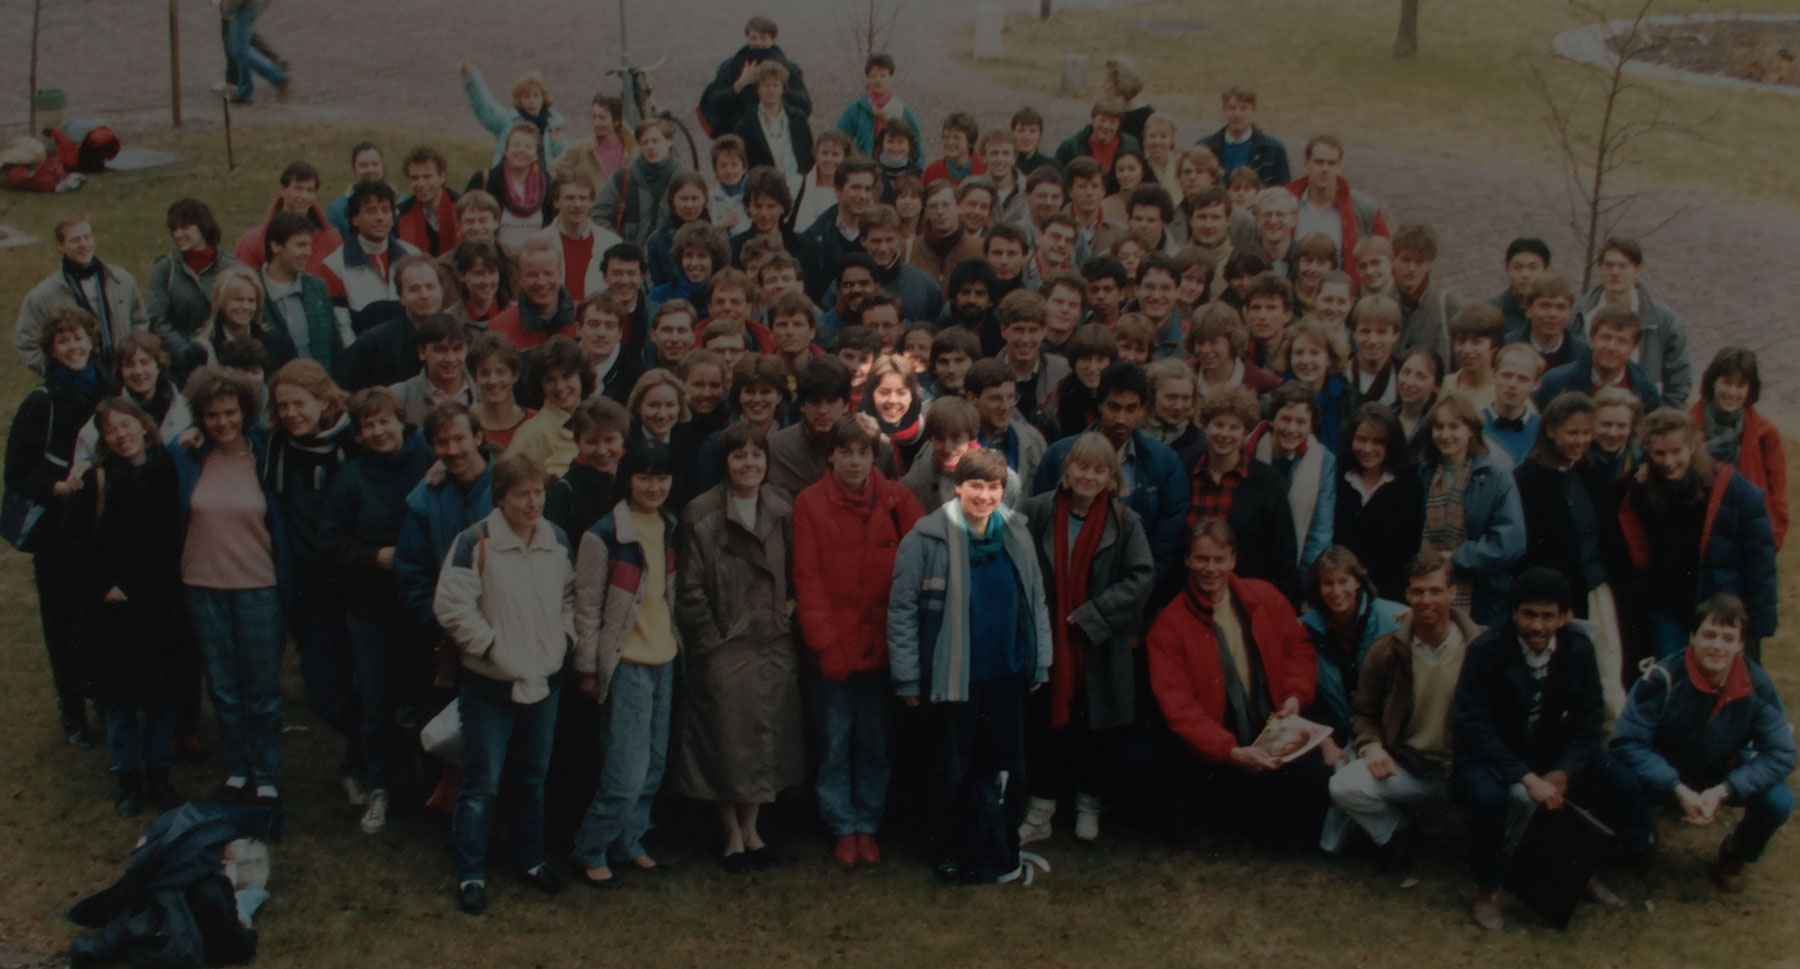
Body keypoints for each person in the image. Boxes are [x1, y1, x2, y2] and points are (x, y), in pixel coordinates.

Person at [1452, 567, 1648, 929]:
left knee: (1620, 782)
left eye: (1548, 616)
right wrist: (1526, 777)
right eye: (1529, 614)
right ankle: (1488, 888)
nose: (1537, 627)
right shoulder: (1486, 650)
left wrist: (1564, 770)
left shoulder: (1578, 648)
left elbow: (1589, 718)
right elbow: (1472, 724)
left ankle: (1584, 870)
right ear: (1513, 613)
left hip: (1548, 748)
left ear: (1565, 617)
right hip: (1493, 753)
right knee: (1486, 797)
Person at [889, 448, 1052, 883]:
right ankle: (947, 849)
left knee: (1004, 767)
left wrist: (1040, 663)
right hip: (951, 676)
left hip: (1005, 672)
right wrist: (906, 674)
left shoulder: (1018, 534)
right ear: (957, 487)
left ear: (1004, 490)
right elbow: (902, 611)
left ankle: (995, 844)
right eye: (975, 485)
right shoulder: (925, 539)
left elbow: (1035, 601)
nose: (984, 495)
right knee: (950, 769)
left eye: (993, 486)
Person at [434, 452, 574, 915]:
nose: (533, 503)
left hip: (544, 682)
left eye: (539, 493)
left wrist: (564, 640)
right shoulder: (474, 543)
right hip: (490, 688)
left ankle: (531, 860)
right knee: (481, 783)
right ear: (501, 498)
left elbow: (570, 598)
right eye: (522, 495)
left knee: (533, 778)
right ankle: (471, 873)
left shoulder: (557, 541)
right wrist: (494, 649)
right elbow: (453, 608)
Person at [668, 423, 804, 871]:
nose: (750, 464)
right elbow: (688, 591)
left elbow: (793, 568)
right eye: (739, 456)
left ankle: (753, 828)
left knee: (765, 737)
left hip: (772, 641)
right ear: (725, 463)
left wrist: (787, 609)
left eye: (757, 456)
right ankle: (729, 831)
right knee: (725, 740)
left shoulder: (781, 508)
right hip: (725, 644)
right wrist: (711, 641)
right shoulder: (700, 514)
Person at [789, 414, 923, 865]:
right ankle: (841, 823)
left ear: (874, 455)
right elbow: (807, 579)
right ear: (831, 455)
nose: (853, 460)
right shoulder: (810, 504)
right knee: (833, 743)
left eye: (862, 452)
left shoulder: (896, 499)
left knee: (875, 743)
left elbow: (921, 560)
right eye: (844, 451)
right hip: (832, 651)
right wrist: (826, 645)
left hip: (884, 648)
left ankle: (869, 820)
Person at [1148, 521, 1329, 845]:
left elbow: (1298, 648)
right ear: (1187, 560)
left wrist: (1294, 697)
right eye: (1202, 559)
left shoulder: (1266, 597)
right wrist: (1230, 751)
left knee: (1311, 797)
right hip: (1218, 750)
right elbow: (1179, 707)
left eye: (1219, 559)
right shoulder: (1168, 626)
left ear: (1233, 559)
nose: (1210, 568)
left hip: (1272, 734)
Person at [1016, 434, 1154, 845]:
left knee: (1094, 731)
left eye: (1099, 470)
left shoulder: (1126, 522)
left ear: (1111, 477)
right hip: (1048, 643)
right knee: (1046, 729)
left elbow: (1141, 578)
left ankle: (1087, 806)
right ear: (1066, 470)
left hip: (1097, 647)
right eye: (1082, 467)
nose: (1089, 476)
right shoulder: (1037, 510)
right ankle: (1040, 811)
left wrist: (1093, 615)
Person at [1610, 594, 1795, 894]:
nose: (1717, 646)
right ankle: (1641, 842)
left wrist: (1725, 790)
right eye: (1708, 634)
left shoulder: (1757, 685)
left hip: (1723, 770)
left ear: (1740, 644)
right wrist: (1675, 786)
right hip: (1665, 768)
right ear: (1692, 637)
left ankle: (1736, 854)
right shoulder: (1663, 678)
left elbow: (1782, 753)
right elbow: (1627, 741)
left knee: (1779, 801)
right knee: (1615, 775)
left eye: (1727, 638)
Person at [59, 397, 189, 816]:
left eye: (126, 424)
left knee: (160, 696)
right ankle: (129, 779)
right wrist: (102, 586)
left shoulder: (166, 468)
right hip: (114, 606)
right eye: (111, 430)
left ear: (143, 425)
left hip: (160, 600)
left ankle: (160, 775)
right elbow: (71, 546)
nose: (122, 434)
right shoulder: (97, 482)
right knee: (119, 703)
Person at [173, 367, 289, 807]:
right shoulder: (187, 454)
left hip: (258, 585)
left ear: (245, 411)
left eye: (230, 413)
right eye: (212, 415)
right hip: (202, 585)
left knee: (261, 689)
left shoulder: (266, 452)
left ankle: (266, 773)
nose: (222, 422)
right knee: (223, 686)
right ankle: (237, 769)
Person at [320, 387, 433, 833]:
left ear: (401, 421)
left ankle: (427, 787)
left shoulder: (428, 465)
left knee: (424, 697)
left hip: (421, 605)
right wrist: (374, 557)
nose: (379, 431)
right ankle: (380, 785)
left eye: (384, 421)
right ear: (360, 436)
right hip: (371, 610)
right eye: (368, 426)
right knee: (376, 701)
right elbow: (330, 543)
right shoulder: (352, 479)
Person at [571, 440, 681, 885]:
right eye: (644, 477)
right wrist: (587, 669)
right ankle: (590, 847)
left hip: (665, 658)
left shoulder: (670, 527)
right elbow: (587, 608)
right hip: (627, 663)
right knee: (626, 769)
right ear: (627, 480)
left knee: (653, 764)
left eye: (661, 478)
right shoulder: (604, 535)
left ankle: (628, 840)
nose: (654, 487)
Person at [1326, 551, 1481, 864]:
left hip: (1465, 770)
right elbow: (1362, 712)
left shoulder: (1480, 648)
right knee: (1343, 785)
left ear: (1453, 592)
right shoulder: (1387, 650)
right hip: (1409, 766)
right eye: (1418, 591)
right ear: (1407, 594)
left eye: (1435, 591)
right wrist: (1371, 746)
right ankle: (1400, 833)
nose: (1426, 600)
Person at [6, 308, 113, 746]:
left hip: (101, 525)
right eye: (63, 342)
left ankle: (105, 699)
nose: (74, 348)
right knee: (63, 624)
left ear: (91, 340)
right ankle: (73, 712)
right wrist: (56, 486)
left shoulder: (108, 390)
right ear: (52, 349)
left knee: (103, 618)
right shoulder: (42, 402)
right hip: (57, 533)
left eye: (79, 339)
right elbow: (16, 472)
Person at [261, 360, 362, 802]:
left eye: (298, 404)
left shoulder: (354, 443)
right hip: (305, 583)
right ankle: (372, 742)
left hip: (354, 579)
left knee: (365, 677)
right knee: (322, 688)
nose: (290, 414)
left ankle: (366, 761)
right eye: (282, 406)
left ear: (322, 400)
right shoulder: (275, 447)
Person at [1617, 409, 1777, 662]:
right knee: (1675, 681)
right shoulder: (1641, 488)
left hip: (1718, 608)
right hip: (1667, 608)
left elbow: (1760, 564)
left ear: (1694, 445)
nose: (1669, 461)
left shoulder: (1736, 492)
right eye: (1659, 453)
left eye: (1676, 452)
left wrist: (1759, 625)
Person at [1513, 392, 1630, 723]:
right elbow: (1531, 550)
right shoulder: (1528, 480)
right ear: (1551, 430)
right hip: (1555, 601)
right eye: (1572, 433)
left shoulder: (1594, 472)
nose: (1581, 441)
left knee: (1608, 680)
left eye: (1585, 433)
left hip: (1597, 590)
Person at [1035, 363, 1190, 581]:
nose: (1121, 419)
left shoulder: (1164, 463)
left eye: (1131, 409)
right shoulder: (1059, 456)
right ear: (1100, 405)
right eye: (1114, 407)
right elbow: (1042, 525)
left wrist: (1140, 587)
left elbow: (1166, 538)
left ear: (1143, 408)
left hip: (1133, 588)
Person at [394, 402, 497, 681]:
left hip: (509, 625)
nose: (451, 450)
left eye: (459, 438)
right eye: (442, 442)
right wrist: (439, 619)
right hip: (450, 631)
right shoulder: (425, 498)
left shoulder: (509, 483)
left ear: (477, 437)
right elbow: (411, 568)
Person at [1180, 386, 1301, 601]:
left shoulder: (1268, 481)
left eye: (1234, 427)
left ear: (1245, 432)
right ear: (1205, 427)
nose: (1224, 434)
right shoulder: (1184, 470)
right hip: (1188, 595)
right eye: (1218, 425)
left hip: (1246, 598)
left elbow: (1283, 554)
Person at [1416, 396, 1524, 627]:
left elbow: (1510, 541)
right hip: (1430, 588)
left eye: (1454, 426)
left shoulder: (1496, 475)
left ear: (1472, 431)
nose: (1445, 434)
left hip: (1483, 594)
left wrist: (1458, 558)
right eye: (1439, 427)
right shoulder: (1425, 474)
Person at [1299, 548, 1407, 764]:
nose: (1336, 590)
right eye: (1328, 583)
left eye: (1343, 581)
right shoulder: (1304, 630)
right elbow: (1308, 699)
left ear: (1358, 582)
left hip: (1393, 734)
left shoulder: (1393, 618)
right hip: (1342, 733)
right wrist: (1326, 742)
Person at [1570, 236, 1693, 407]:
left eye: (1623, 266)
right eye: (1609, 265)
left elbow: (1678, 386)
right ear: (1599, 268)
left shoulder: (1666, 322)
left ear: (1638, 270)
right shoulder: (1577, 315)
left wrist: (1659, 425)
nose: (1615, 272)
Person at [1691, 347, 1785, 549]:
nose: (1732, 392)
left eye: (1740, 385)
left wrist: (1773, 539)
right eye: (1726, 382)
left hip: (1745, 534)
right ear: (1713, 381)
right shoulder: (1687, 428)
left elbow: (1778, 495)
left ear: (1750, 389)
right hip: (1699, 531)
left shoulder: (1766, 434)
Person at [1335, 403, 1425, 601]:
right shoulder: (1339, 478)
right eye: (1361, 439)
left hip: (1391, 596)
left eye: (1378, 442)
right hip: (1341, 593)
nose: (1368, 448)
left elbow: (1411, 549)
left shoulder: (1409, 484)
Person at [1249, 382, 1338, 575]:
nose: (1291, 428)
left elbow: (1320, 532)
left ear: (1312, 426)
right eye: (1285, 419)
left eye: (1301, 422)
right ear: (1272, 420)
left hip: (1297, 569)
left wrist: (1306, 583)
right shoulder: (1251, 449)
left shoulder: (1323, 460)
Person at [318, 181, 422, 338]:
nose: (380, 217)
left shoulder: (413, 256)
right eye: (371, 211)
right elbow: (342, 331)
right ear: (355, 218)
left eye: (385, 210)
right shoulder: (333, 266)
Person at [148, 199, 241, 375]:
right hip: (181, 364)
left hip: (227, 358)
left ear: (203, 226)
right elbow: (157, 319)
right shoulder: (165, 268)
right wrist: (186, 352)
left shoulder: (231, 267)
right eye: (174, 229)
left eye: (184, 227)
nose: (177, 234)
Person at [333, 259, 447, 392]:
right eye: (414, 289)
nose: (424, 295)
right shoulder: (373, 343)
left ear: (442, 291)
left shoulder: (461, 334)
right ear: (401, 297)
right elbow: (342, 391)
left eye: (430, 287)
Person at [260, 211, 347, 369]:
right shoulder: (252, 291)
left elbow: (335, 346)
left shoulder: (317, 288)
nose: (308, 252)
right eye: (300, 245)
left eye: (309, 245)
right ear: (275, 246)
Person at [701, 15, 812, 139]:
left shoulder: (789, 69)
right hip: (738, 133)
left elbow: (805, 105)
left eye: (763, 38)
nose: (758, 43)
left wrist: (776, 87)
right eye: (753, 38)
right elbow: (713, 104)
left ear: (773, 39)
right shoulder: (730, 67)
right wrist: (739, 85)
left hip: (777, 133)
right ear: (747, 38)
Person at [232, 161, 343, 273]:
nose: (304, 196)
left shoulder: (332, 241)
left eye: (310, 190)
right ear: (283, 190)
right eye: (298, 189)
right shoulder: (253, 241)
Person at [596, 118, 687, 250]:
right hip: (632, 264)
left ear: (669, 140)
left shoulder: (685, 179)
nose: (650, 146)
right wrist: (618, 247)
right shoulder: (622, 178)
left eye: (655, 141)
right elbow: (599, 215)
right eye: (645, 142)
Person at [458, 58, 567, 169]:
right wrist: (471, 79)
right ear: (519, 100)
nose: (531, 101)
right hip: (508, 178)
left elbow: (566, 159)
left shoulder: (553, 125)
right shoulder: (507, 121)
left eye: (536, 95)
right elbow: (484, 106)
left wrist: (556, 144)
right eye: (526, 96)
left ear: (543, 98)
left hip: (540, 182)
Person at [506, 337, 590, 478]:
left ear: (581, 376)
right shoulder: (531, 433)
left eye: (567, 376)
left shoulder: (598, 420)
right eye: (550, 380)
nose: (560, 387)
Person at [533, 172, 623, 303]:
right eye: (570, 198)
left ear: (592, 202)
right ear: (556, 202)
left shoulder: (612, 243)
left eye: (583, 198)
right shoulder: (537, 243)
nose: (577, 204)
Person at [191, 266, 298, 374]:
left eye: (251, 301)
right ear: (221, 302)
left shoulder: (278, 345)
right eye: (238, 300)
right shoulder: (203, 352)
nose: (245, 306)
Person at [489, 237, 578, 352]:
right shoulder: (499, 329)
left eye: (548, 273)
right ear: (520, 277)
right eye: (532, 275)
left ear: (560, 274)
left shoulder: (583, 318)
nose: (541, 282)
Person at [1198, 86, 1290, 187]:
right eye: (1232, 108)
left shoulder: (1274, 149)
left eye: (1244, 108)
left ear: (1253, 110)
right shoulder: (1205, 148)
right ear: (1223, 110)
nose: (1237, 114)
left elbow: (1284, 190)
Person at [552, 94, 636, 189]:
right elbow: (553, 170)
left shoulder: (633, 149)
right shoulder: (582, 149)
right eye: (594, 117)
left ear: (616, 121)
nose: (596, 123)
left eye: (602, 118)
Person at [465, 334, 534, 449]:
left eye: (501, 372)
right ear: (474, 377)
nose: (493, 381)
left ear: (515, 375)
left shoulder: (534, 423)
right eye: (484, 373)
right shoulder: (463, 423)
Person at [1482, 344, 1544, 466]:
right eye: (1506, 375)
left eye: (1522, 379)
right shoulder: (1473, 425)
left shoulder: (1544, 431)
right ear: (1493, 374)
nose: (1512, 384)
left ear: (1535, 384)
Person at [396, 146, 463, 257]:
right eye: (415, 178)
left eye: (427, 177)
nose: (421, 184)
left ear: (442, 177)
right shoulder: (401, 214)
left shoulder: (462, 208)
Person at [221, 0, 289, 104]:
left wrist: (227, 11)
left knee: (239, 50)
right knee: (242, 46)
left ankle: (278, 77)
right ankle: (244, 91)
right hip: (255, 4)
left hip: (244, 5)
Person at [1489, 237, 1551, 335]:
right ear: (1507, 270)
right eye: (1517, 268)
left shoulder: (1558, 311)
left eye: (1533, 268)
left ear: (1546, 270)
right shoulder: (1492, 314)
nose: (1525, 274)